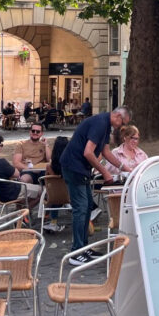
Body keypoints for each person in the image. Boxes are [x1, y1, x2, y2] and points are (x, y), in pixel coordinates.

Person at [59, 105, 131, 264]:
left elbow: (106, 152)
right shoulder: (100, 123)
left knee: (86, 208)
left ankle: (84, 248)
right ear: (117, 116)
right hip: (73, 167)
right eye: (123, 123)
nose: (122, 127)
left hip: (82, 169)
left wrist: (125, 169)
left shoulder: (106, 126)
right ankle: (76, 252)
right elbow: (88, 152)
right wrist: (104, 172)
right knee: (81, 208)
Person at [0, 133, 41, 203]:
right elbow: (17, 174)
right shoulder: (1, 162)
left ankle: (21, 210)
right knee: (41, 190)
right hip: (10, 193)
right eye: (1, 145)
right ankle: (23, 212)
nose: (1, 148)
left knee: (27, 187)